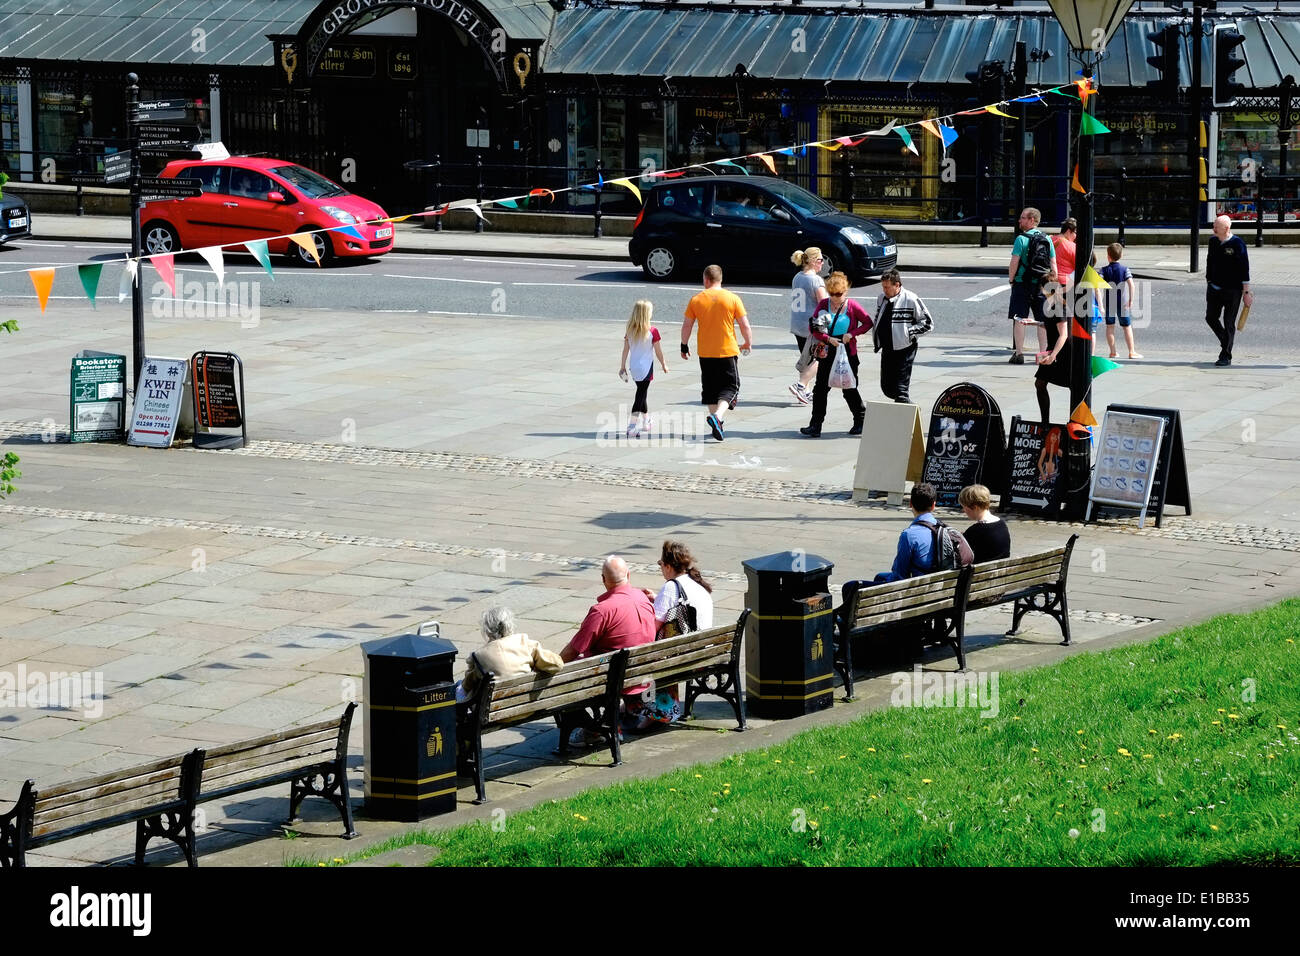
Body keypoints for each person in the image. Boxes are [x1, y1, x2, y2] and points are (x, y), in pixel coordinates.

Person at [560, 555, 657, 746]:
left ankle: (594, 730)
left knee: (564, 674)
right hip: (643, 672)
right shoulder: (643, 598)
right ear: (628, 575)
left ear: (603, 579)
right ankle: (609, 722)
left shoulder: (602, 610)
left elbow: (573, 649)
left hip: (611, 679)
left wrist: (553, 663)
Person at [636, 540, 716, 730]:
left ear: (669, 566)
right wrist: (658, 599)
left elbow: (651, 628)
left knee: (644, 652)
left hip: (685, 657)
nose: (661, 569)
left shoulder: (671, 587)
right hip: (704, 652)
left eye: (661, 565)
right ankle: (646, 708)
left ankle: (655, 712)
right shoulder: (696, 583)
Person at [681, 265, 752, 442]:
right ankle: (718, 417)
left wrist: (684, 345)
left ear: (706, 279)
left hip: (705, 353)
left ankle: (717, 424)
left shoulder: (696, 299)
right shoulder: (732, 298)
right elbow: (744, 325)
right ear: (720, 279)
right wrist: (748, 343)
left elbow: (687, 325)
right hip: (727, 350)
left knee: (711, 390)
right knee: (731, 387)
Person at [800, 271, 870, 438]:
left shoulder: (852, 306)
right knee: (821, 389)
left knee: (849, 388)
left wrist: (852, 334)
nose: (835, 298)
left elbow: (868, 322)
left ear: (845, 292)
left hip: (848, 351)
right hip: (828, 350)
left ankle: (861, 419)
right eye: (832, 294)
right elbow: (814, 327)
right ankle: (815, 425)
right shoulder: (824, 304)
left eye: (838, 294)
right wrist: (827, 338)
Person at [456, 606, 563, 703]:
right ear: (510, 625)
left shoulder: (479, 656)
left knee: (458, 686)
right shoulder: (525, 643)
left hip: (494, 713)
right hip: (528, 707)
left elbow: (467, 686)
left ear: (487, 631)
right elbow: (557, 664)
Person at [872, 268, 933, 403]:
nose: (884, 290)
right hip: (887, 347)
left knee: (901, 389)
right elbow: (878, 317)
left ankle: (905, 408)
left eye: (887, 287)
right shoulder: (881, 298)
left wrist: (909, 333)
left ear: (897, 285)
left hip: (905, 348)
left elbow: (928, 323)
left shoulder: (911, 299)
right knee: (887, 387)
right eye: (883, 287)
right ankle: (905, 406)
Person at [1007, 207, 1055, 365]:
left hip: (1022, 282)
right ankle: (1042, 354)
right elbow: (1053, 264)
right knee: (1042, 320)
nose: (1019, 220)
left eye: (1023, 218)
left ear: (1032, 220)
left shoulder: (1021, 239)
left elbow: (1014, 261)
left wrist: (1011, 279)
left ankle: (1019, 353)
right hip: (1042, 283)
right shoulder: (1047, 239)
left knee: (1019, 318)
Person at [1205, 214, 1252, 367]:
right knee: (1210, 317)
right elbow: (1209, 261)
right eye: (1213, 227)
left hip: (1233, 290)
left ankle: (1225, 355)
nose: (1213, 230)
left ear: (1226, 228)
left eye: (1216, 227)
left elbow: (1244, 268)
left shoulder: (1237, 244)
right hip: (1214, 287)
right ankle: (1226, 340)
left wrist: (1246, 293)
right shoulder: (1213, 242)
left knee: (1228, 322)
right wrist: (1209, 280)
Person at [619, 299, 668, 438]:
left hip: (634, 367)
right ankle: (632, 426)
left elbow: (625, 350)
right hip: (646, 367)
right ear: (647, 314)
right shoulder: (653, 331)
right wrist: (664, 364)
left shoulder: (630, 331)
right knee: (640, 396)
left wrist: (622, 367)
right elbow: (658, 351)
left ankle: (646, 421)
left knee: (642, 393)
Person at [874, 482, 940, 583]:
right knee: (880, 577)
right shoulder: (943, 529)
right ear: (933, 505)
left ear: (910, 504)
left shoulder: (909, 535)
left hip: (917, 590)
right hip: (938, 585)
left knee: (850, 586)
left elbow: (900, 574)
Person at [788, 247, 826, 406]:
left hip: (797, 323)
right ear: (812, 261)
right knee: (818, 358)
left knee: (806, 357)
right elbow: (824, 303)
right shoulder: (816, 280)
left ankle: (805, 393)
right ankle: (800, 386)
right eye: (820, 260)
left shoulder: (797, 276)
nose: (822, 263)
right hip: (811, 327)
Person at [1098, 243, 1142, 360]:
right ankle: (1131, 352)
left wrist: (1100, 303)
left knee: (1110, 327)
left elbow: (1097, 285)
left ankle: (1113, 352)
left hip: (1108, 302)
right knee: (1127, 326)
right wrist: (1131, 300)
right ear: (1121, 255)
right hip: (1122, 302)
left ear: (1108, 256)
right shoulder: (1124, 269)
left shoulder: (1104, 270)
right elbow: (1131, 285)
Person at [958, 484, 1011, 564]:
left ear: (975, 507)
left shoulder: (975, 530)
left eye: (964, 508)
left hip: (979, 574)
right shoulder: (1002, 524)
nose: (964, 511)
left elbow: (960, 553)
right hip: (1002, 571)